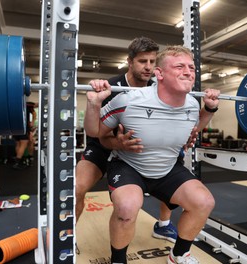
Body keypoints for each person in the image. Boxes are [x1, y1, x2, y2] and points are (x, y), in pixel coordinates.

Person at [85, 45, 220, 264]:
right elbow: (95, 132)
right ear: (159, 74)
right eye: (180, 66)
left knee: (204, 202)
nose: (189, 72)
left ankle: (178, 255)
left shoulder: (193, 105)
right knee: (127, 207)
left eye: (192, 67)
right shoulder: (129, 100)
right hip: (130, 166)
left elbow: (195, 128)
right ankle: (118, 260)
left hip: (167, 168)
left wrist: (210, 109)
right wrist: (94, 103)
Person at [75, 36, 179, 243]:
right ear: (130, 62)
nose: (148, 67)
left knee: (173, 172)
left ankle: (163, 226)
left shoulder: (157, 90)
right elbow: (95, 132)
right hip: (102, 146)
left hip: (134, 148)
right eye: (143, 61)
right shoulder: (110, 88)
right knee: (77, 187)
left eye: (152, 62)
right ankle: (68, 234)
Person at [12, 102, 37, 170]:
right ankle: (17, 163)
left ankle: (25, 160)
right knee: (23, 144)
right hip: (23, 127)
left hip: (15, 128)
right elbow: (34, 113)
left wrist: (32, 122)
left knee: (19, 144)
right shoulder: (26, 104)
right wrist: (33, 122)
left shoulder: (13, 105)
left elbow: (35, 109)